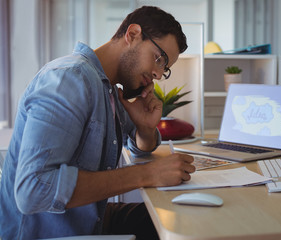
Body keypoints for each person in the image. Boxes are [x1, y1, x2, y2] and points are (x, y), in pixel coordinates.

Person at [0, 6, 195, 240]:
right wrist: (147, 174)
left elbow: (139, 147)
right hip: (48, 233)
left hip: (87, 220)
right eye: (159, 59)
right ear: (132, 34)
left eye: (165, 69)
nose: (157, 73)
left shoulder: (108, 88)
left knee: (182, 218)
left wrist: (145, 128)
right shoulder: (69, 79)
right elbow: (32, 190)